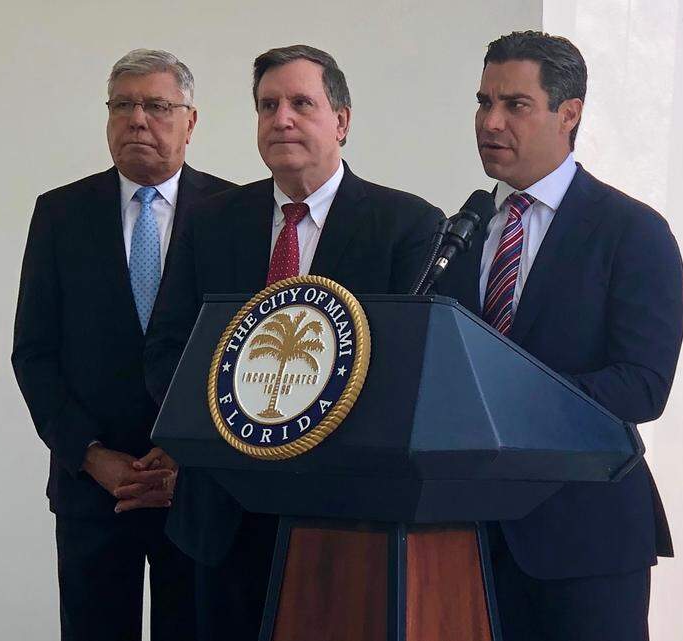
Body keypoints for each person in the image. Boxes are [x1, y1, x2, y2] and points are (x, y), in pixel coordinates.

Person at [143, 44, 443, 641]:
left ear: (342, 121)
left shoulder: (409, 227)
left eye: (301, 103)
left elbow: (414, 380)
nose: (281, 118)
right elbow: (168, 350)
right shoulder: (210, 222)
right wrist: (225, 440)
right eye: (267, 105)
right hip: (223, 517)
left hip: (346, 524)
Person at [433, 31, 683, 641]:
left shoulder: (632, 232)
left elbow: (642, 386)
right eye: (483, 101)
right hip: (463, 538)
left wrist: (507, 404)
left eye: (515, 104)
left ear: (568, 113)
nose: (490, 121)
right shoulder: (460, 230)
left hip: (584, 538)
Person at [11, 49, 234, 641]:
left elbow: (245, 355)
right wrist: (89, 455)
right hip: (92, 488)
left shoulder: (232, 213)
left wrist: (189, 454)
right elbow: (33, 352)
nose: (138, 119)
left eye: (157, 106)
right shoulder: (60, 214)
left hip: (197, 486)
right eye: (123, 105)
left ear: (191, 121)